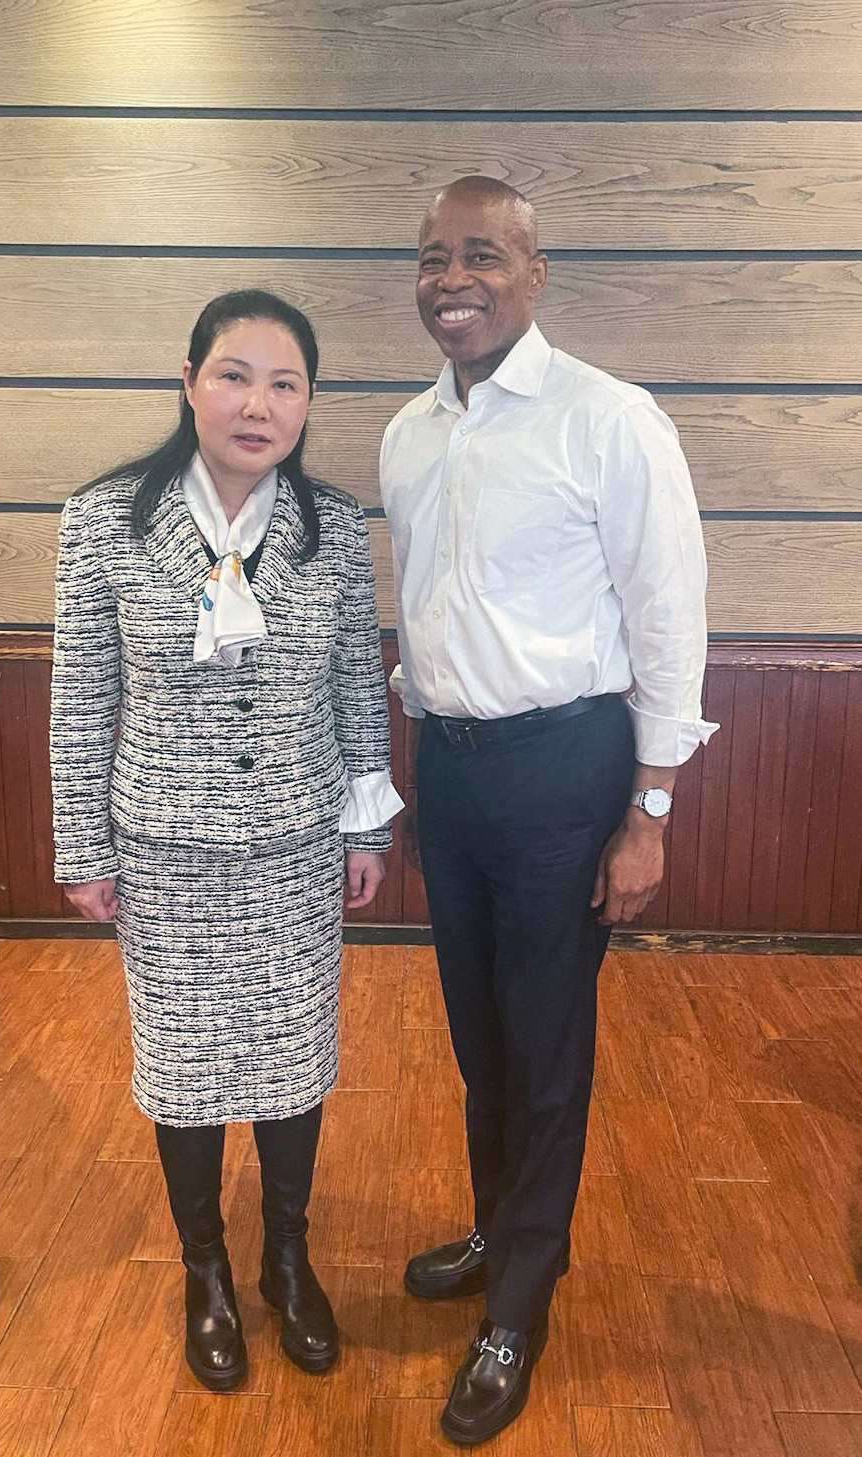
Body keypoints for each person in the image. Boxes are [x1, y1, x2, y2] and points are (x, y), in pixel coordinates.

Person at [380, 177, 717, 1446]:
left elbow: (666, 613)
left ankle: (522, 1297)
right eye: (430, 258)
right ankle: (502, 1221)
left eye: (479, 253)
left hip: (567, 772)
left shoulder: (609, 419)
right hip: (453, 772)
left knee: (548, 1039)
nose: (450, 277)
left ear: (534, 273)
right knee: (480, 1034)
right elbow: (425, 606)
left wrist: (651, 807)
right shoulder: (412, 432)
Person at [50, 289, 403, 1392]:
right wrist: (82, 847)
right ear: (190, 382)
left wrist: (368, 822)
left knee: (294, 1061)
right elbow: (80, 695)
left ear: (308, 402)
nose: (259, 402)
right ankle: (205, 1267)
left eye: (285, 381)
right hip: (165, 848)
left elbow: (355, 681)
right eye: (236, 374)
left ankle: (286, 1259)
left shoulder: (334, 527)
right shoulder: (104, 519)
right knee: (188, 1068)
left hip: (297, 843)